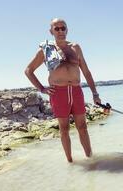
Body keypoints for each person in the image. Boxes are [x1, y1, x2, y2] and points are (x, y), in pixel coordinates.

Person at [25, 18, 101, 163]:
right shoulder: (46, 49)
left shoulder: (75, 47)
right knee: (64, 129)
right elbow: (29, 70)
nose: (60, 31)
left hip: (76, 91)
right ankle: (70, 162)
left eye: (63, 28)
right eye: (57, 28)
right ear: (51, 31)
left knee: (83, 127)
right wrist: (42, 89)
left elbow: (86, 71)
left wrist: (95, 93)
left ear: (67, 30)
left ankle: (91, 160)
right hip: (58, 93)